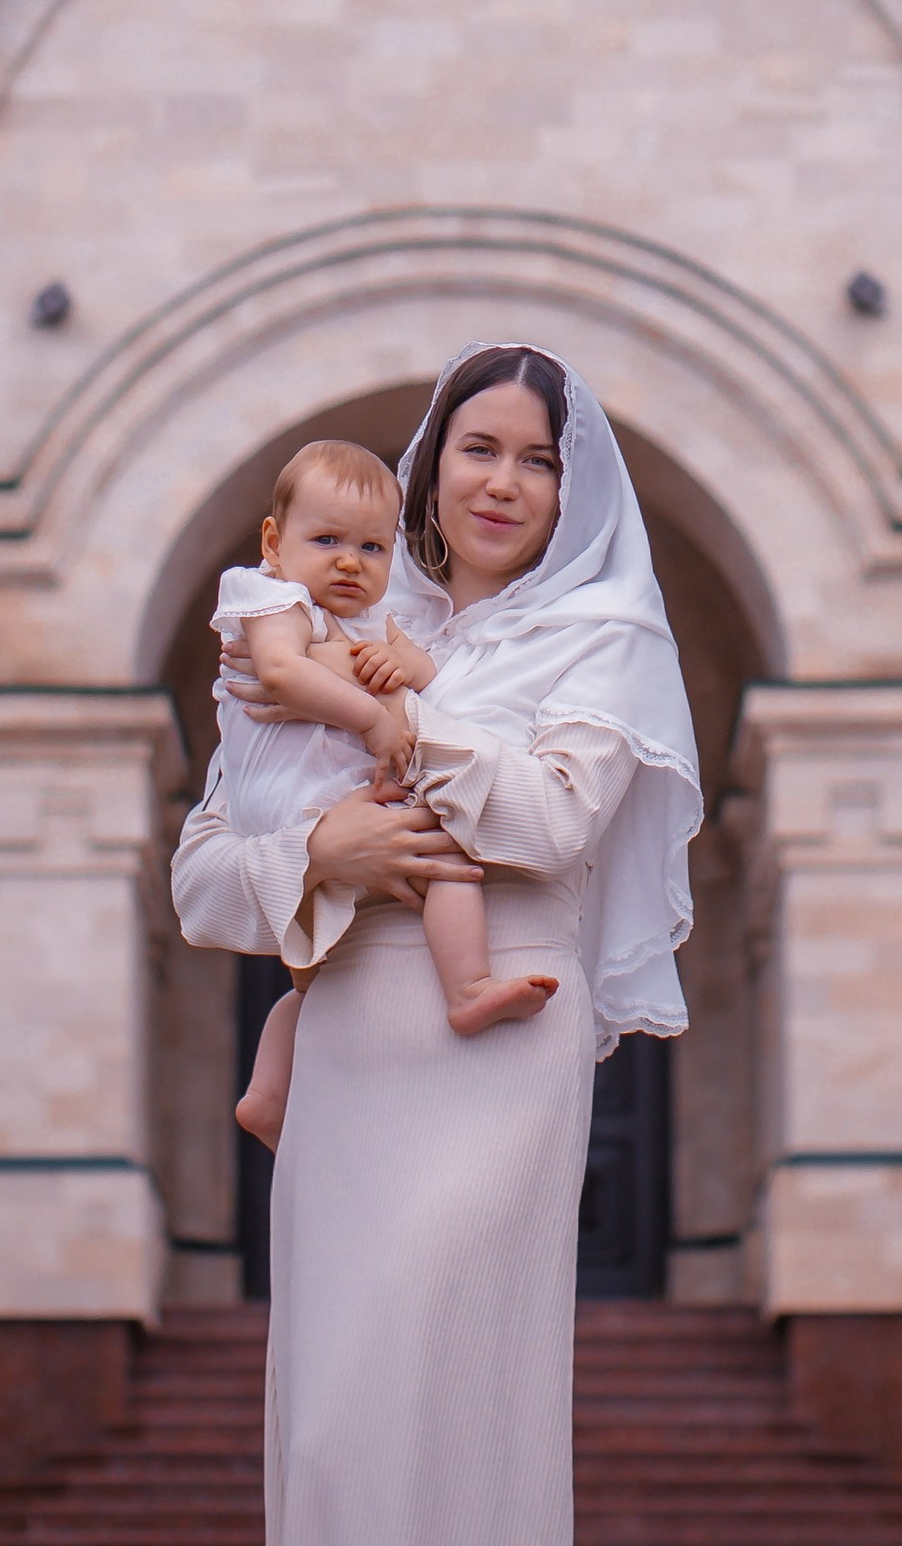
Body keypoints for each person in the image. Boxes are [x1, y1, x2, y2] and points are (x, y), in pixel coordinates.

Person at [172, 342, 703, 1546]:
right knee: (331, 1414)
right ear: (431, 466)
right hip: (347, 1052)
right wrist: (320, 859)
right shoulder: (333, 620)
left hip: (499, 1045)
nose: (503, 482)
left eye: (538, 460)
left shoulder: (600, 641)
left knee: (449, 1377)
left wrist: (404, 724)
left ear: (575, 491)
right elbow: (202, 882)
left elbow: (552, 819)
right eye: (478, 448)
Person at [214, 434, 558, 1151]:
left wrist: (404, 664)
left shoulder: (353, 623)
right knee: (445, 847)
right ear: (274, 543)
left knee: (307, 985)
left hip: (299, 804)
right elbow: (279, 673)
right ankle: (467, 987)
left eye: (372, 549)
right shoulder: (269, 596)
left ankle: (268, 1094)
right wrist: (375, 715)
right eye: (328, 539)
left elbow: (404, 674)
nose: (349, 561)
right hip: (296, 801)